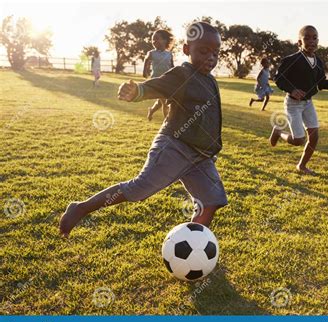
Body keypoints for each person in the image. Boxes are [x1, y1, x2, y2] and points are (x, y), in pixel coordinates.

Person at [59, 22, 226, 238]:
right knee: (139, 189)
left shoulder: (210, 80)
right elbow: (157, 85)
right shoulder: (182, 74)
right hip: (175, 148)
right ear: (186, 50)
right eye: (203, 51)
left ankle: (196, 241)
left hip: (201, 157)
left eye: (216, 52)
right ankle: (80, 208)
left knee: (211, 200)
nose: (210, 57)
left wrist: (211, 149)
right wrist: (137, 91)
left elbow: (210, 119)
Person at [269, 25, 328, 175]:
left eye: (315, 38)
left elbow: (321, 82)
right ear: (299, 42)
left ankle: (302, 166)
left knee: (314, 136)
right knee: (298, 140)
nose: (311, 41)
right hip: (293, 104)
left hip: (308, 103)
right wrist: (292, 90)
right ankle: (278, 132)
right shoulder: (292, 59)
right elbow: (278, 78)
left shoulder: (318, 62)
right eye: (307, 38)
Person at [143, 29, 175, 120]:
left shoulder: (169, 54)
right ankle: (167, 122)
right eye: (153, 39)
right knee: (165, 102)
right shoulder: (152, 53)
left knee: (161, 102)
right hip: (156, 81)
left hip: (167, 81)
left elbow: (172, 66)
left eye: (157, 39)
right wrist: (145, 72)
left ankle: (151, 111)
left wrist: (174, 76)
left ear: (165, 40)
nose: (154, 41)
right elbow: (146, 61)